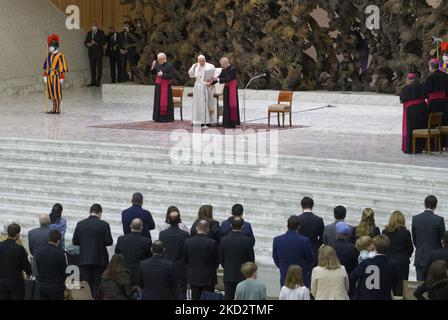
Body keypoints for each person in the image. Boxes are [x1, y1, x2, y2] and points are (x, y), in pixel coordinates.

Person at [72, 204, 114, 296]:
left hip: (84, 259)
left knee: (87, 284)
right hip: (100, 259)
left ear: (90, 212)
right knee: (98, 284)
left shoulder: (80, 224)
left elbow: (75, 241)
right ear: (100, 213)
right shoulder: (104, 225)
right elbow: (109, 241)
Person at [350, 235, 399, 300]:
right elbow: (395, 283)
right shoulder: (394, 265)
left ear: (374, 247)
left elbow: (353, 276)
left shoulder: (366, 262)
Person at [272, 216, 316, 288]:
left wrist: (282, 266)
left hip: (285, 273)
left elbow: (275, 258)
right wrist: (305, 268)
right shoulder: (304, 240)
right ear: (299, 227)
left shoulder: (277, 240)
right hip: (301, 275)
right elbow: (311, 259)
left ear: (287, 226)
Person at [219, 217, 255, 300]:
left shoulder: (224, 240)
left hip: (229, 273)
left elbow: (221, 258)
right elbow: (251, 260)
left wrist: (226, 266)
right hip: (243, 274)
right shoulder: (247, 240)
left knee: (228, 296)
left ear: (231, 226)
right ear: (242, 226)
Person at [412, 195, 446, 281]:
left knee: (420, 285)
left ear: (424, 204)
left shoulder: (416, 218)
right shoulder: (439, 220)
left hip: (420, 257)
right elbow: (442, 239)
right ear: (435, 205)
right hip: (435, 260)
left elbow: (414, 239)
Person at [183, 220, 219, 300]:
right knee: (208, 298)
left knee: (195, 298)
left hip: (194, 276)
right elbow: (216, 261)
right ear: (208, 229)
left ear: (196, 228)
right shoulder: (212, 243)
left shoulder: (188, 242)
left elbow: (185, 260)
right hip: (209, 277)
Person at [159, 210, 190, 300]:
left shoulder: (163, 234)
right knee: (180, 293)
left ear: (168, 220)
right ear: (179, 220)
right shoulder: (185, 235)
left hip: (166, 266)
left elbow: (161, 250)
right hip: (180, 267)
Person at [382, 210, 414, 296]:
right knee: (401, 287)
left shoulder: (385, 232)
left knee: (388, 284)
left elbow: (383, 246)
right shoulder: (406, 233)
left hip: (388, 260)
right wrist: (405, 256)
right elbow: (410, 248)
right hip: (402, 262)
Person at [0, 223, 32, 300]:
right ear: (17, 234)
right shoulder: (19, 249)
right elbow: (25, 265)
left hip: (2, 283)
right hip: (16, 283)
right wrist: (29, 273)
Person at [115, 219, 152, 283]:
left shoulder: (121, 239)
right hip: (138, 271)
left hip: (123, 269)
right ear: (141, 227)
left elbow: (117, 253)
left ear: (130, 226)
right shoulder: (146, 241)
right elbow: (148, 257)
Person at [399, 73, 428, 154]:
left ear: (409, 80)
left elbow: (402, 98)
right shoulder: (422, 85)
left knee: (411, 128)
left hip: (412, 110)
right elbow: (426, 95)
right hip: (422, 108)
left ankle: (411, 148)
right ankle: (420, 147)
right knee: (421, 126)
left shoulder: (407, 87)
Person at [35, 229, 67, 300]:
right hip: (56, 287)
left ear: (48, 239)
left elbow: (38, 268)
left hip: (43, 286)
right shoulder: (61, 254)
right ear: (58, 241)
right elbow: (63, 272)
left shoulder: (39, 252)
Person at [43, 34, 68, 114]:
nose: (50, 48)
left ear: (55, 47)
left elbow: (63, 68)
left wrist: (62, 77)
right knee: (52, 92)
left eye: (51, 46)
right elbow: (46, 66)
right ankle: (53, 108)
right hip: (49, 76)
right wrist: (45, 75)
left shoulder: (60, 56)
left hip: (57, 76)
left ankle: (58, 109)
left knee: (57, 92)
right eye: (50, 46)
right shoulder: (49, 55)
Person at [212, 57, 240, 128]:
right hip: (226, 89)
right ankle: (226, 122)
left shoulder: (232, 69)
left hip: (232, 89)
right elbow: (220, 77)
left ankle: (232, 123)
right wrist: (211, 82)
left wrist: (217, 79)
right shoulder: (224, 69)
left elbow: (228, 78)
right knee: (226, 105)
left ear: (226, 63)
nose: (221, 65)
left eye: (222, 64)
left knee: (232, 105)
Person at [189, 55, 216, 126]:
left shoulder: (210, 66)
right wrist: (193, 68)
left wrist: (210, 82)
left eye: (202, 60)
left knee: (204, 103)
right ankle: (196, 120)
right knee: (196, 103)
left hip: (205, 87)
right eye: (199, 61)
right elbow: (190, 74)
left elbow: (213, 76)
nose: (201, 62)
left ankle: (205, 121)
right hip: (197, 87)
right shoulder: (195, 65)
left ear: (205, 60)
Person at [151, 52, 175, 123]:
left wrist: (162, 74)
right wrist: (152, 66)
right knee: (158, 101)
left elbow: (171, 76)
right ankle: (157, 117)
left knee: (166, 102)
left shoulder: (169, 65)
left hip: (166, 87)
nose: (159, 61)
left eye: (161, 59)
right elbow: (153, 73)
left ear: (164, 58)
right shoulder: (158, 64)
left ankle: (166, 118)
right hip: (158, 86)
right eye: (158, 59)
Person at [425, 58, 448, 126]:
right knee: (444, 121)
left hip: (433, 103)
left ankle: (434, 136)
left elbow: (425, 92)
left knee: (433, 122)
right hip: (444, 102)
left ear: (431, 66)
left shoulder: (430, 77)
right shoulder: (446, 76)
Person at [84, 21, 105, 87]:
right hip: (91, 53)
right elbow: (85, 42)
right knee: (92, 67)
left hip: (98, 53)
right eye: (92, 25)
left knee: (99, 67)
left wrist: (96, 43)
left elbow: (103, 42)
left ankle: (98, 82)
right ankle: (93, 81)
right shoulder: (89, 33)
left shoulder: (101, 32)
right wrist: (87, 44)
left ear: (97, 25)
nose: (93, 26)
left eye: (94, 25)